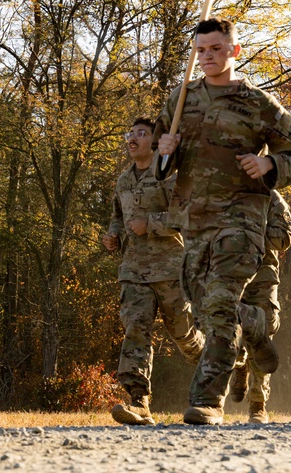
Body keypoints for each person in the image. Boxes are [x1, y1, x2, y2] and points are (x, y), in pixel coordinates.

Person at [155, 17, 291, 425]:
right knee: (206, 307)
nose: (207, 57)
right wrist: (165, 150)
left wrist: (268, 162)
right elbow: (159, 163)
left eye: (215, 49)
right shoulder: (180, 99)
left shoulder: (257, 103)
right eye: (201, 50)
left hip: (241, 217)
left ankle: (207, 400)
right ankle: (255, 330)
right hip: (194, 218)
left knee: (221, 301)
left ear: (234, 51)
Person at [102, 118, 204, 426]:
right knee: (136, 326)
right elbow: (118, 217)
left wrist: (152, 225)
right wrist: (113, 235)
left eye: (141, 133)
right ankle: (139, 401)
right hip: (133, 270)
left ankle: (217, 369)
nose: (133, 137)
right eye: (130, 133)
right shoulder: (122, 181)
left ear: (156, 143)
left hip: (170, 268)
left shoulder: (170, 178)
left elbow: (187, 215)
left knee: (184, 336)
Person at [228, 189, 291, 423]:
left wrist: (253, 233)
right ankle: (239, 363)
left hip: (261, 275)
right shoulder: (222, 189)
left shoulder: (271, 197)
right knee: (226, 328)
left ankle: (258, 404)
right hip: (228, 272)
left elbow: (285, 237)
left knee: (263, 332)